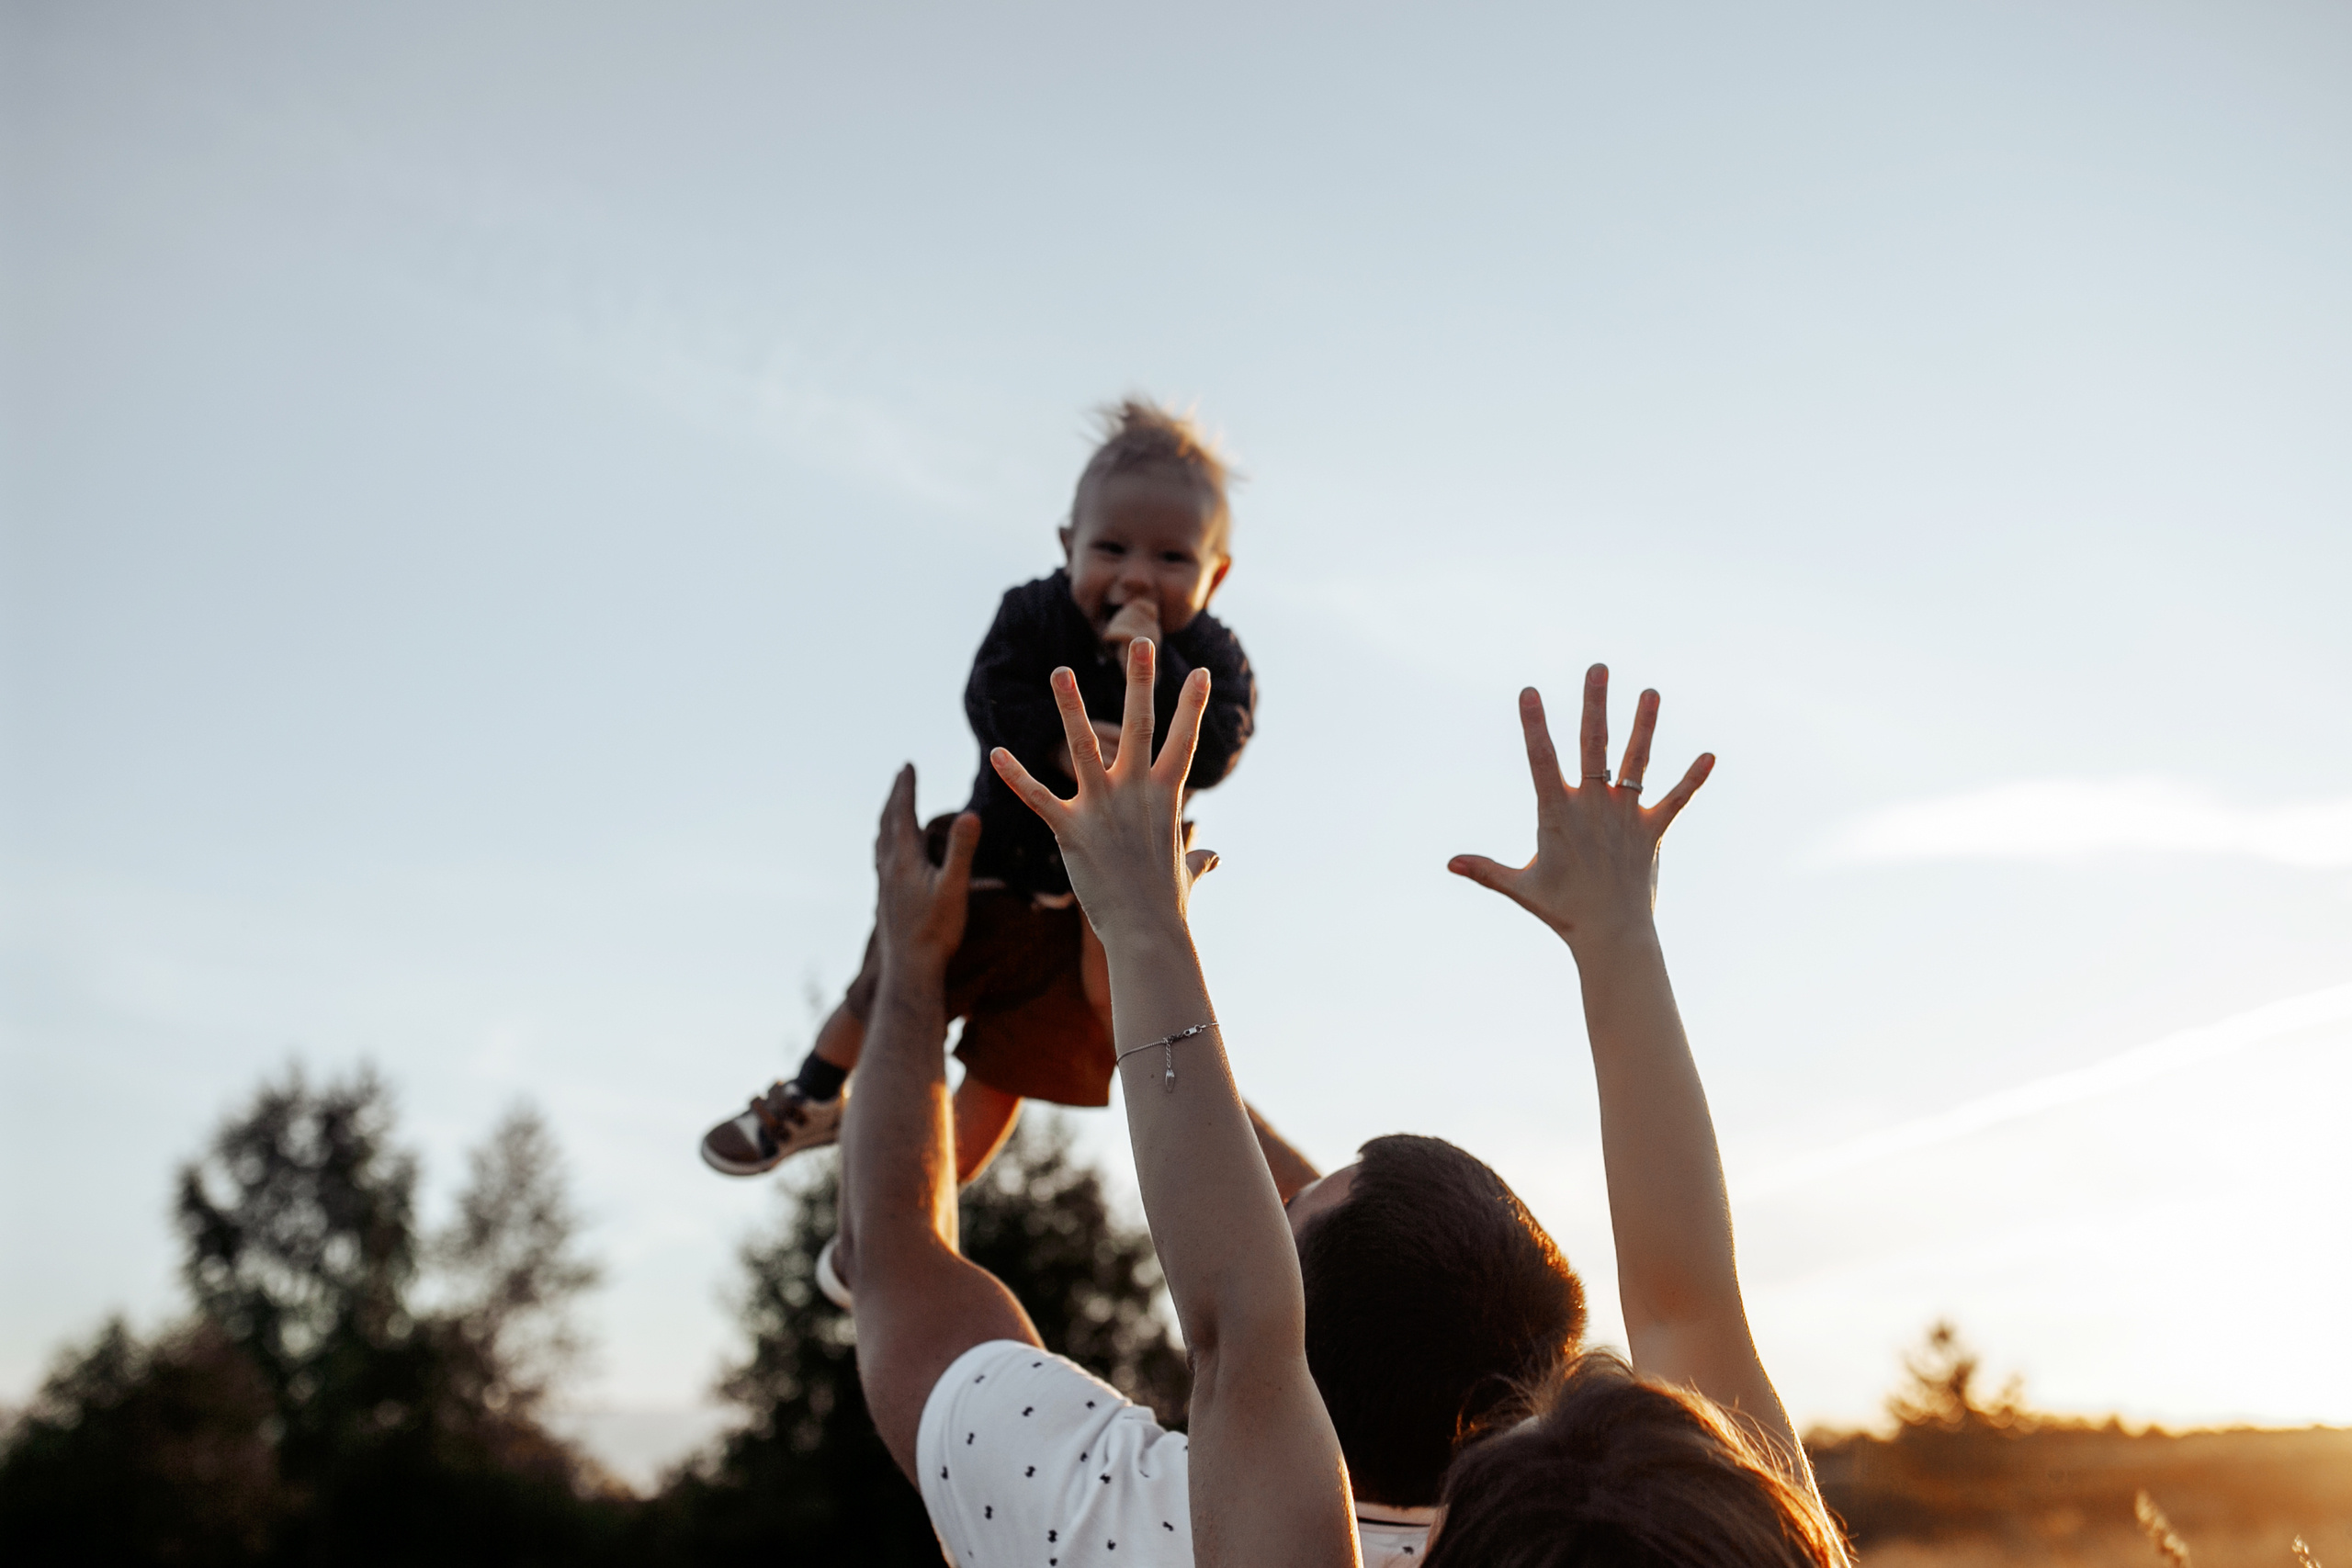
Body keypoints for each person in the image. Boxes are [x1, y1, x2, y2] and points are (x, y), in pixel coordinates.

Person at [833, 640, 1354, 1565]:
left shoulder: (1090, 1507)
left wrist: (911, 969)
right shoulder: (1568, 1532)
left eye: (1293, 1210)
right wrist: (1136, 995)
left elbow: (886, 1247)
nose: (1279, 1206)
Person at [700, 400, 1258, 1186]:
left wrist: (1153, 664)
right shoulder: (1033, 613)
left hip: (1090, 918)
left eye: (1171, 558)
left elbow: (1226, 736)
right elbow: (989, 691)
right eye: (1110, 547)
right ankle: (813, 1093)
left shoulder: (1208, 653)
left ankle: (921, 1209)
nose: (1135, 574)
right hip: (991, 861)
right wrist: (1058, 744)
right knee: (889, 984)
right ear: (1068, 544)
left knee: (1007, 1071)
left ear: (1215, 573)